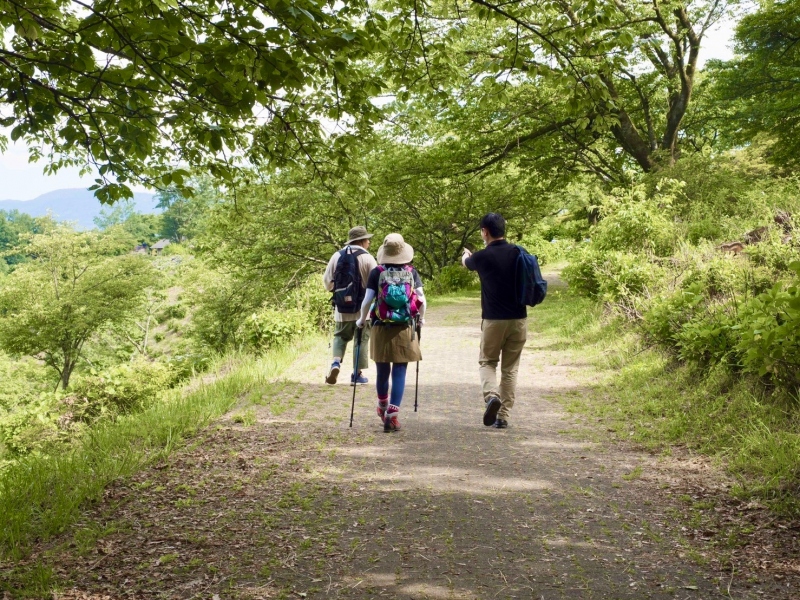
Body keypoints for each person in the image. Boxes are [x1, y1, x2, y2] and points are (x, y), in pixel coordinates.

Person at [461, 213, 526, 429]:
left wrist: (466, 255)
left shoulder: (481, 257)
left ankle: (491, 397)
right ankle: (503, 416)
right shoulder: (518, 252)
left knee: (487, 362)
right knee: (510, 369)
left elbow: (467, 263)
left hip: (493, 320)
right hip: (518, 320)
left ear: (485, 232)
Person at [356, 233, 425, 432]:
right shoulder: (411, 272)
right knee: (400, 370)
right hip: (404, 327)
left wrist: (361, 320)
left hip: (380, 325)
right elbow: (421, 298)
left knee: (382, 370)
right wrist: (421, 318)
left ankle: (382, 405)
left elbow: (367, 300)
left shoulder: (377, 272)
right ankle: (393, 416)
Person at [323, 226, 378, 385]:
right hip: (363, 309)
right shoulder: (368, 258)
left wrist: (340, 293)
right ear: (361, 241)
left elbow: (327, 282)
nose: (369, 242)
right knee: (360, 340)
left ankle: (335, 363)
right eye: (367, 239)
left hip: (341, 309)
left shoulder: (337, 255)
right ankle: (356, 374)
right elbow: (376, 284)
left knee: (340, 336)